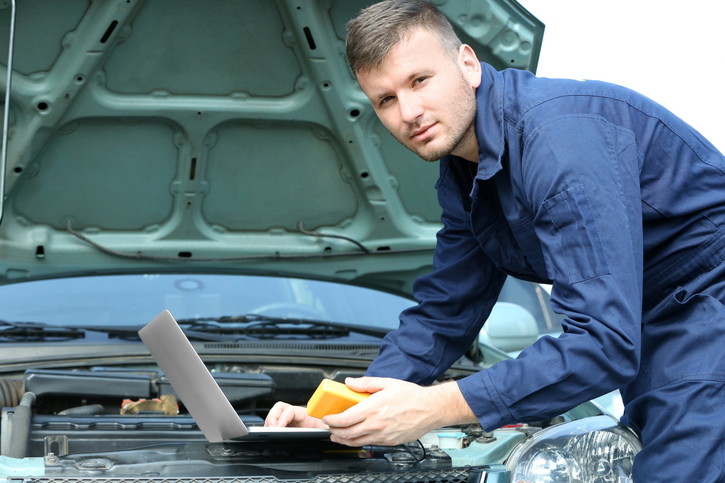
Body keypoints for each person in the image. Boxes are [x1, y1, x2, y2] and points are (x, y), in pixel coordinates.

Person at [265, 0, 725, 480]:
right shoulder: (466, 172)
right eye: (385, 99)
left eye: (419, 80)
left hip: (709, 304)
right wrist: (337, 412)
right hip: (653, 320)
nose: (409, 111)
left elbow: (603, 342)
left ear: (468, 63)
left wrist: (436, 406)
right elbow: (446, 310)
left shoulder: (558, 143)